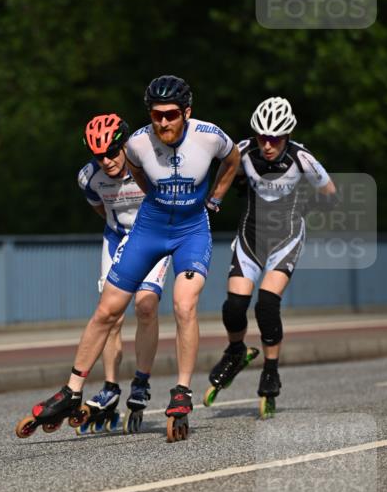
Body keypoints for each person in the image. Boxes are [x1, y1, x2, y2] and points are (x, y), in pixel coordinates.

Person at [16, 75, 241, 441]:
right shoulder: (137, 143)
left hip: (190, 231)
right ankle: (72, 390)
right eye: (156, 115)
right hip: (149, 230)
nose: (163, 122)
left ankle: (181, 390)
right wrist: (156, 198)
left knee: (184, 305)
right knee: (107, 310)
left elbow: (232, 159)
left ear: (187, 111)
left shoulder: (209, 135)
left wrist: (215, 197)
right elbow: (134, 170)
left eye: (170, 114)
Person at [207, 96, 337, 415]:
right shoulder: (243, 151)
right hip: (251, 237)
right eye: (262, 137)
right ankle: (236, 351)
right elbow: (223, 175)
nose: (267, 145)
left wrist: (308, 207)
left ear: (287, 135)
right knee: (234, 307)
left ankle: (271, 369)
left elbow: (331, 194)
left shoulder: (301, 158)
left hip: (286, 237)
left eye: (274, 138)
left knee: (266, 304)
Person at [77, 113, 170, 430]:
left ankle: (141, 381)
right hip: (117, 238)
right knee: (110, 313)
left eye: (112, 152)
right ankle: (111, 387)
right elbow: (100, 209)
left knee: (146, 304)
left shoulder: (149, 166)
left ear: (125, 146)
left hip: (154, 238)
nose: (106, 160)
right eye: (98, 155)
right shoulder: (88, 178)